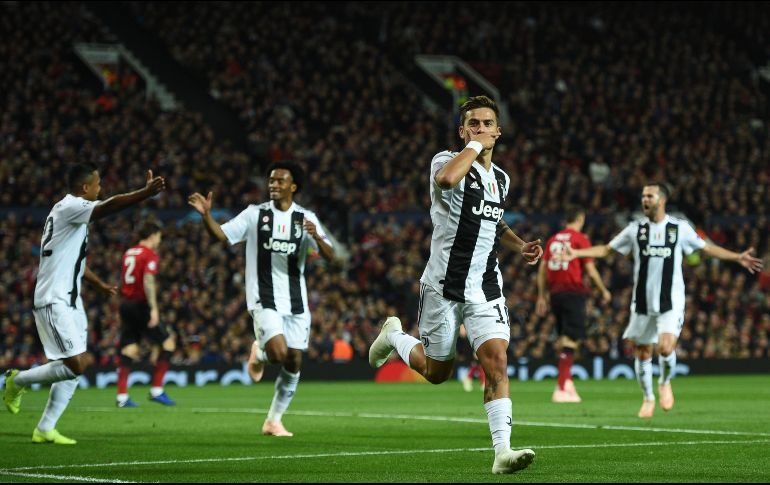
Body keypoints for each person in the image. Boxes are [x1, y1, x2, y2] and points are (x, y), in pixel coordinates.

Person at [368, 96, 543, 474]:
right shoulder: (445, 161)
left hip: (485, 286)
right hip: (443, 286)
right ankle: (395, 336)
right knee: (437, 373)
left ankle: (502, 452)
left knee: (496, 359)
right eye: (473, 124)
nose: (481, 128)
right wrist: (475, 147)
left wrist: (520, 245)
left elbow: (495, 223)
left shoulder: (502, 179)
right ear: (462, 131)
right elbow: (447, 180)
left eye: (487, 124)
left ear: (500, 130)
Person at [561, 182, 762, 418]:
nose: (645, 199)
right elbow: (606, 250)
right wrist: (577, 253)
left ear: (662, 200)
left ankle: (665, 381)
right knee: (643, 353)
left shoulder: (680, 229)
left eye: (650, 196)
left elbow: (706, 248)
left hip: (671, 300)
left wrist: (737, 257)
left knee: (666, 347)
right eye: (643, 196)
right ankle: (648, 398)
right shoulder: (635, 229)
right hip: (643, 302)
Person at [3, 163, 165, 444]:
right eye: (98, 184)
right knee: (75, 365)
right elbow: (107, 207)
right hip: (54, 298)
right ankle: (16, 381)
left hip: (71, 298)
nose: (100, 189)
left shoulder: (66, 213)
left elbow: (71, 259)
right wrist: (144, 193)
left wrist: (98, 284)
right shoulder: (71, 207)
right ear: (85, 188)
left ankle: (45, 428)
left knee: (77, 365)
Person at [188, 161, 334, 437]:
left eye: (280, 181)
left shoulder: (306, 218)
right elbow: (222, 235)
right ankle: (261, 350)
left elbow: (331, 257)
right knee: (278, 353)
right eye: (271, 181)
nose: (274, 185)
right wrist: (207, 216)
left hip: (296, 301)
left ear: (293, 187)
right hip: (263, 297)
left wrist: (317, 237)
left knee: (293, 361)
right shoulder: (255, 215)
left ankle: (273, 421)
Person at [535, 205, 611, 403]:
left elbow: (542, 270)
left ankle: (567, 383)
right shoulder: (580, 239)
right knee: (571, 339)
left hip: (555, 294)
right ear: (580, 219)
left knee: (565, 338)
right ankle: (561, 387)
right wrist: (603, 290)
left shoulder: (552, 240)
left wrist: (542, 296)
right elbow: (591, 270)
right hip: (573, 292)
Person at [115, 220, 177, 408]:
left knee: (129, 350)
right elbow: (148, 280)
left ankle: (122, 397)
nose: (159, 240)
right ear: (152, 235)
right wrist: (154, 308)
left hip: (126, 304)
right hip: (141, 305)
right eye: (159, 236)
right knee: (168, 343)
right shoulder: (150, 254)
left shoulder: (129, 253)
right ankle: (157, 390)